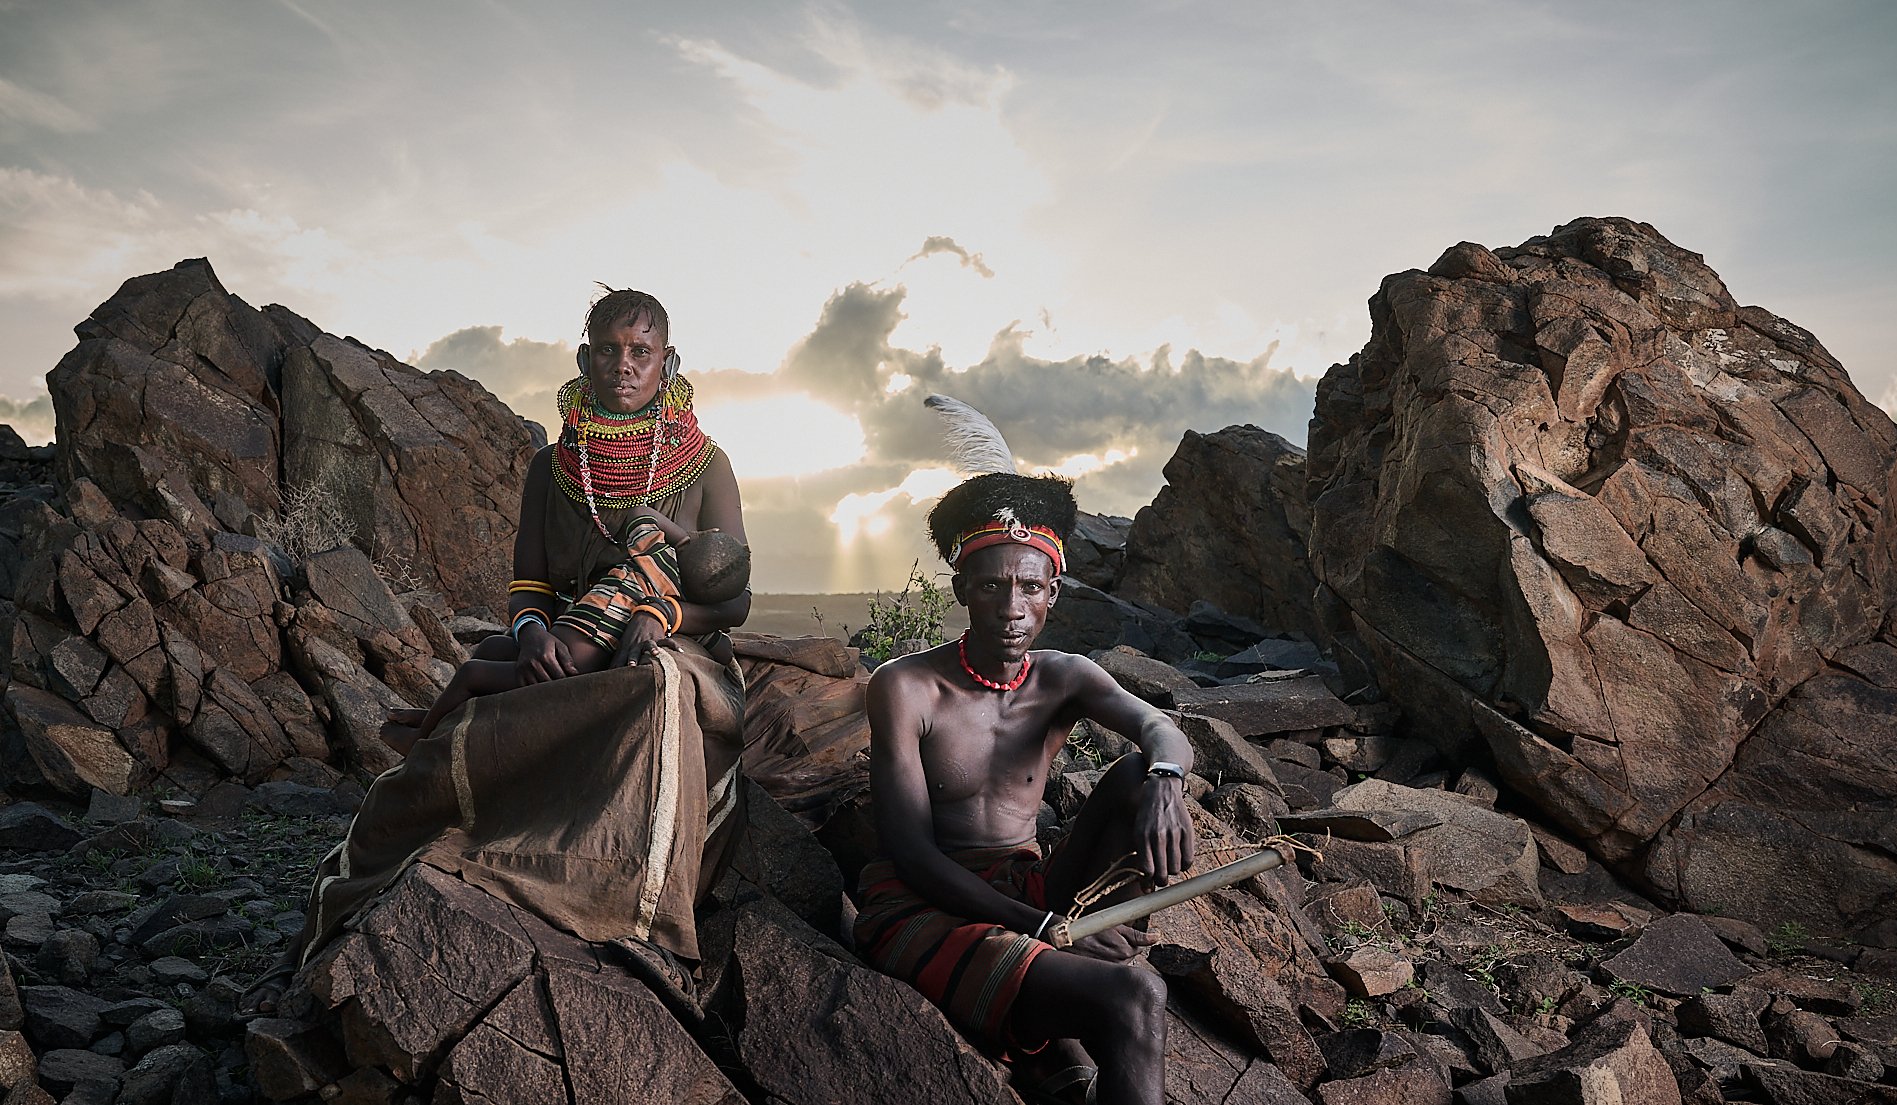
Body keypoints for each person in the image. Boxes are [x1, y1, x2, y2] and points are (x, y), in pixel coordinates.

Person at [243, 286, 752, 1016]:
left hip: (672, 648)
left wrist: (667, 613)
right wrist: (532, 633)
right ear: (584, 357)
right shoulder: (552, 468)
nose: (623, 366)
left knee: (658, 688)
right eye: (608, 350)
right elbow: (529, 586)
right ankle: (345, 909)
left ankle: (645, 922)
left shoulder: (706, 466)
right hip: (564, 644)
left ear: (668, 361)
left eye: (641, 352)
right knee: (451, 753)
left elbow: (732, 599)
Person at [854, 471, 1197, 1105]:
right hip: (925, 905)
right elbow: (912, 856)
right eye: (991, 586)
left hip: (1026, 888)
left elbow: (1158, 727)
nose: (1012, 609)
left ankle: (1097, 954)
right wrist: (1046, 929)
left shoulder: (1064, 678)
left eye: (1030, 588)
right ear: (961, 589)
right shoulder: (906, 687)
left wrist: (1167, 781)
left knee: (1137, 775)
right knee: (1137, 995)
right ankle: (1075, 990)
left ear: (1053, 593)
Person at [385, 510, 750, 750]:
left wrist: (684, 539)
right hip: (581, 664)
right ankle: (443, 717)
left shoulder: (653, 553)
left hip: (563, 665)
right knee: (495, 647)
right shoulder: (680, 599)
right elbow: (719, 646)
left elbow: (641, 514)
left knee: (473, 670)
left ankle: (421, 740)